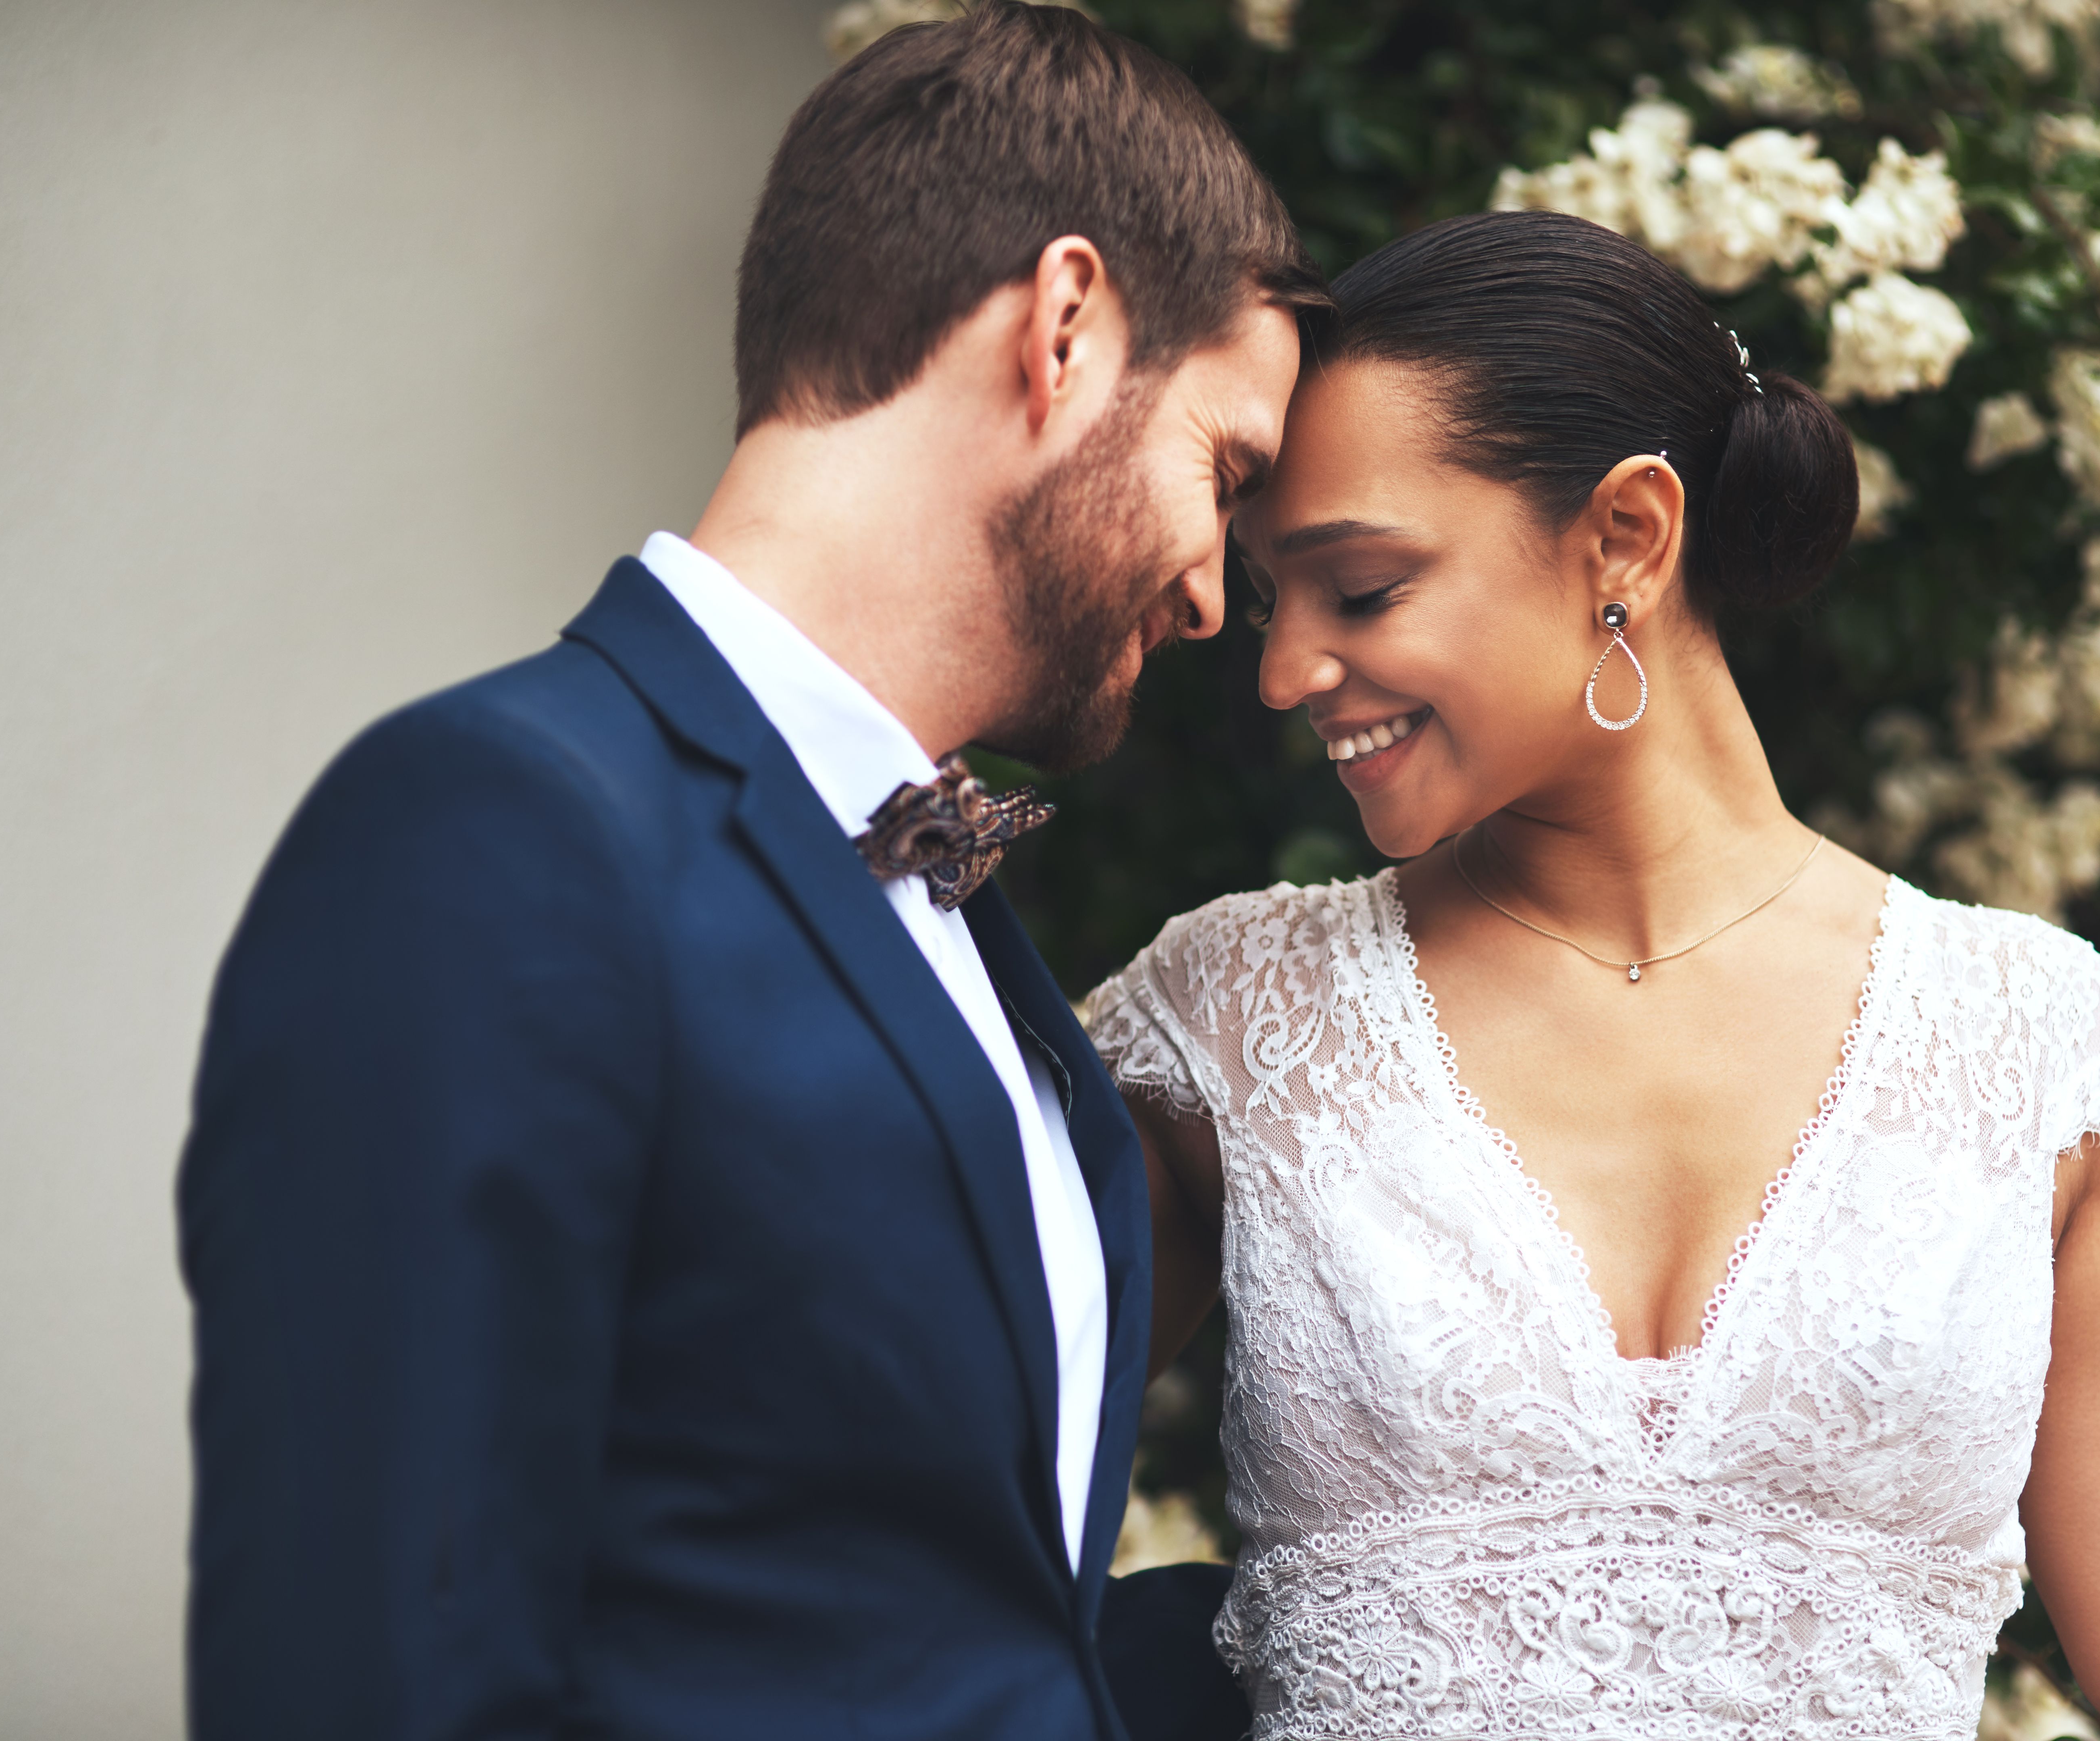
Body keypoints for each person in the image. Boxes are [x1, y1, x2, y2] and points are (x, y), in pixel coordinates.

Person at [175, 6, 1325, 1737]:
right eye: (1220, 474)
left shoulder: (956, 917)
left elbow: (931, 1613)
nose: (1209, 600)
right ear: (1065, 329)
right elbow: (370, 1670)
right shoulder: (493, 832)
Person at [1088, 209, 2100, 1738]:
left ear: (1626, 536)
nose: (1283, 675)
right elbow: (902, 1502)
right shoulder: (1231, 1019)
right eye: (1273, 603)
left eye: (1361, 589)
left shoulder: (2029, 1044)